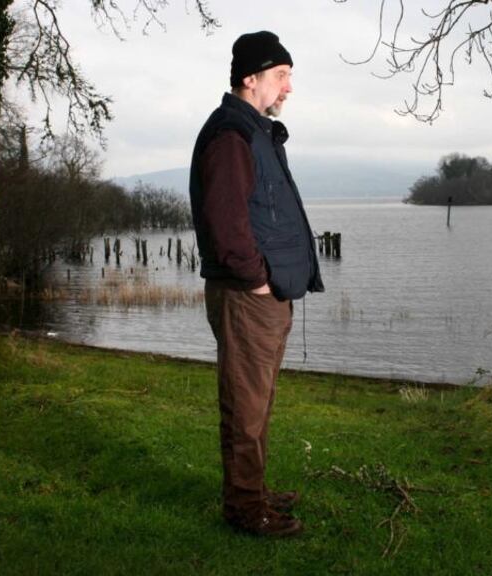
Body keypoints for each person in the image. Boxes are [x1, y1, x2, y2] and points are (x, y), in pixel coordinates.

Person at [189, 30, 324, 537]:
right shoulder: (232, 135)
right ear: (251, 78)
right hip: (249, 296)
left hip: (266, 294)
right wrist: (258, 282)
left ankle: (254, 491)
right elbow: (227, 224)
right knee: (245, 405)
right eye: (282, 75)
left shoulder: (258, 133)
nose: (289, 88)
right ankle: (247, 510)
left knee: (258, 401)